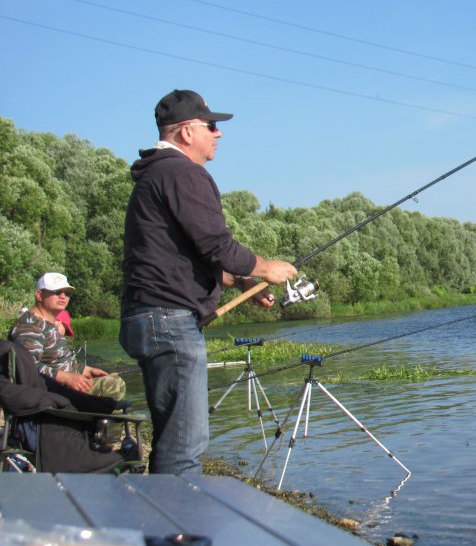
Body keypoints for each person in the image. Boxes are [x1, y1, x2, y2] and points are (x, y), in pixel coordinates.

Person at [120, 89, 297, 475]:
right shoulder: (183, 172)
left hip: (147, 317)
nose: (218, 134)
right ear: (186, 132)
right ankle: (179, 532)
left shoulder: (157, 175)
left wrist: (244, 282)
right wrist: (266, 267)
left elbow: (181, 256)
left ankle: (164, 524)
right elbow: (217, 245)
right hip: (169, 322)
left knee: (170, 438)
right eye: (211, 126)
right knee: (184, 448)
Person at [10, 273, 126, 401]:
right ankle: (98, 420)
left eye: (67, 293)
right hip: (49, 393)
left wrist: (85, 370)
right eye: (57, 291)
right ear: (39, 295)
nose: (63, 296)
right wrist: (65, 377)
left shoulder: (49, 323)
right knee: (113, 384)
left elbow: (59, 362)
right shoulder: (30, 325)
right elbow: (25, 366)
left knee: (112, 378)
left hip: (61, 388)